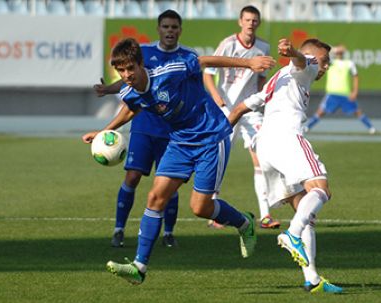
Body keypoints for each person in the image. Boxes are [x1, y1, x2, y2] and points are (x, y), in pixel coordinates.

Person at [82, 37, 275, 285]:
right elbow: (131, 109)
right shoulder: (130, 91)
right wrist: (103, 131)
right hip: (180, 143)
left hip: (211, 136)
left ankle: (243, 222)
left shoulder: (169, 71)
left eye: (131, 68)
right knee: (154, 198)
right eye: (121, 70)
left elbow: (203, 61)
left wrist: (248, 63)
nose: (127, 74)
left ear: (141, 65)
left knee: (200, 208)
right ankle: (139, 266)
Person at [228, 38, 343, 294]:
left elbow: (241, 107)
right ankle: (291, 235)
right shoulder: (307, 66)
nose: (326, 66)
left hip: (266, 145)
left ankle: (312, 279)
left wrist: (221, 132)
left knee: (305, 212)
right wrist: (292, 52)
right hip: (286, 138)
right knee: (321, 189)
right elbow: (303, 60)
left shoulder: (278, 79)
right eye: (326, 61)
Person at [90, 10, 192, 248]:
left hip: (172, 132)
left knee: (169, 183)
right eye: (165, 26)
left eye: (174, 27)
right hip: (144, 127)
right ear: (158, 29)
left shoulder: (187, 57)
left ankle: (168, 233)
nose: (170, 31)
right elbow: (129, 79)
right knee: (132, 176)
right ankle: (119, 229)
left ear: (180, 30)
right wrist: (109, 90)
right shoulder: (144, 52)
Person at [203, 5, 280, 229]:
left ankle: (265, 215)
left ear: (258, 23)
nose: (250, 23)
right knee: (220, 158)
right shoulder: (228, 44)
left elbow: (260, 81)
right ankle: (213, 209)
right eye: (247, 20)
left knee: (261, 159)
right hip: (226, 110)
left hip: (250, 110)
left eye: (254, 20)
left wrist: (262, 102)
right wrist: (219, 100)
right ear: (240, 21)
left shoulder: (263, 46)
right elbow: (208, 74)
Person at [305, 44, 376, 134]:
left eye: (340, 50)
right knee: (320, 112)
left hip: (345, 94)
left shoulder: (349, 63)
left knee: (357, 111)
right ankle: (307, 127)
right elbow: (324, 54)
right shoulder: (331, 62)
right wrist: (333, 50)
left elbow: (355, 77)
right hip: (332, 93)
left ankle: (371, 128)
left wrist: (355, 91)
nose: (339, 52)